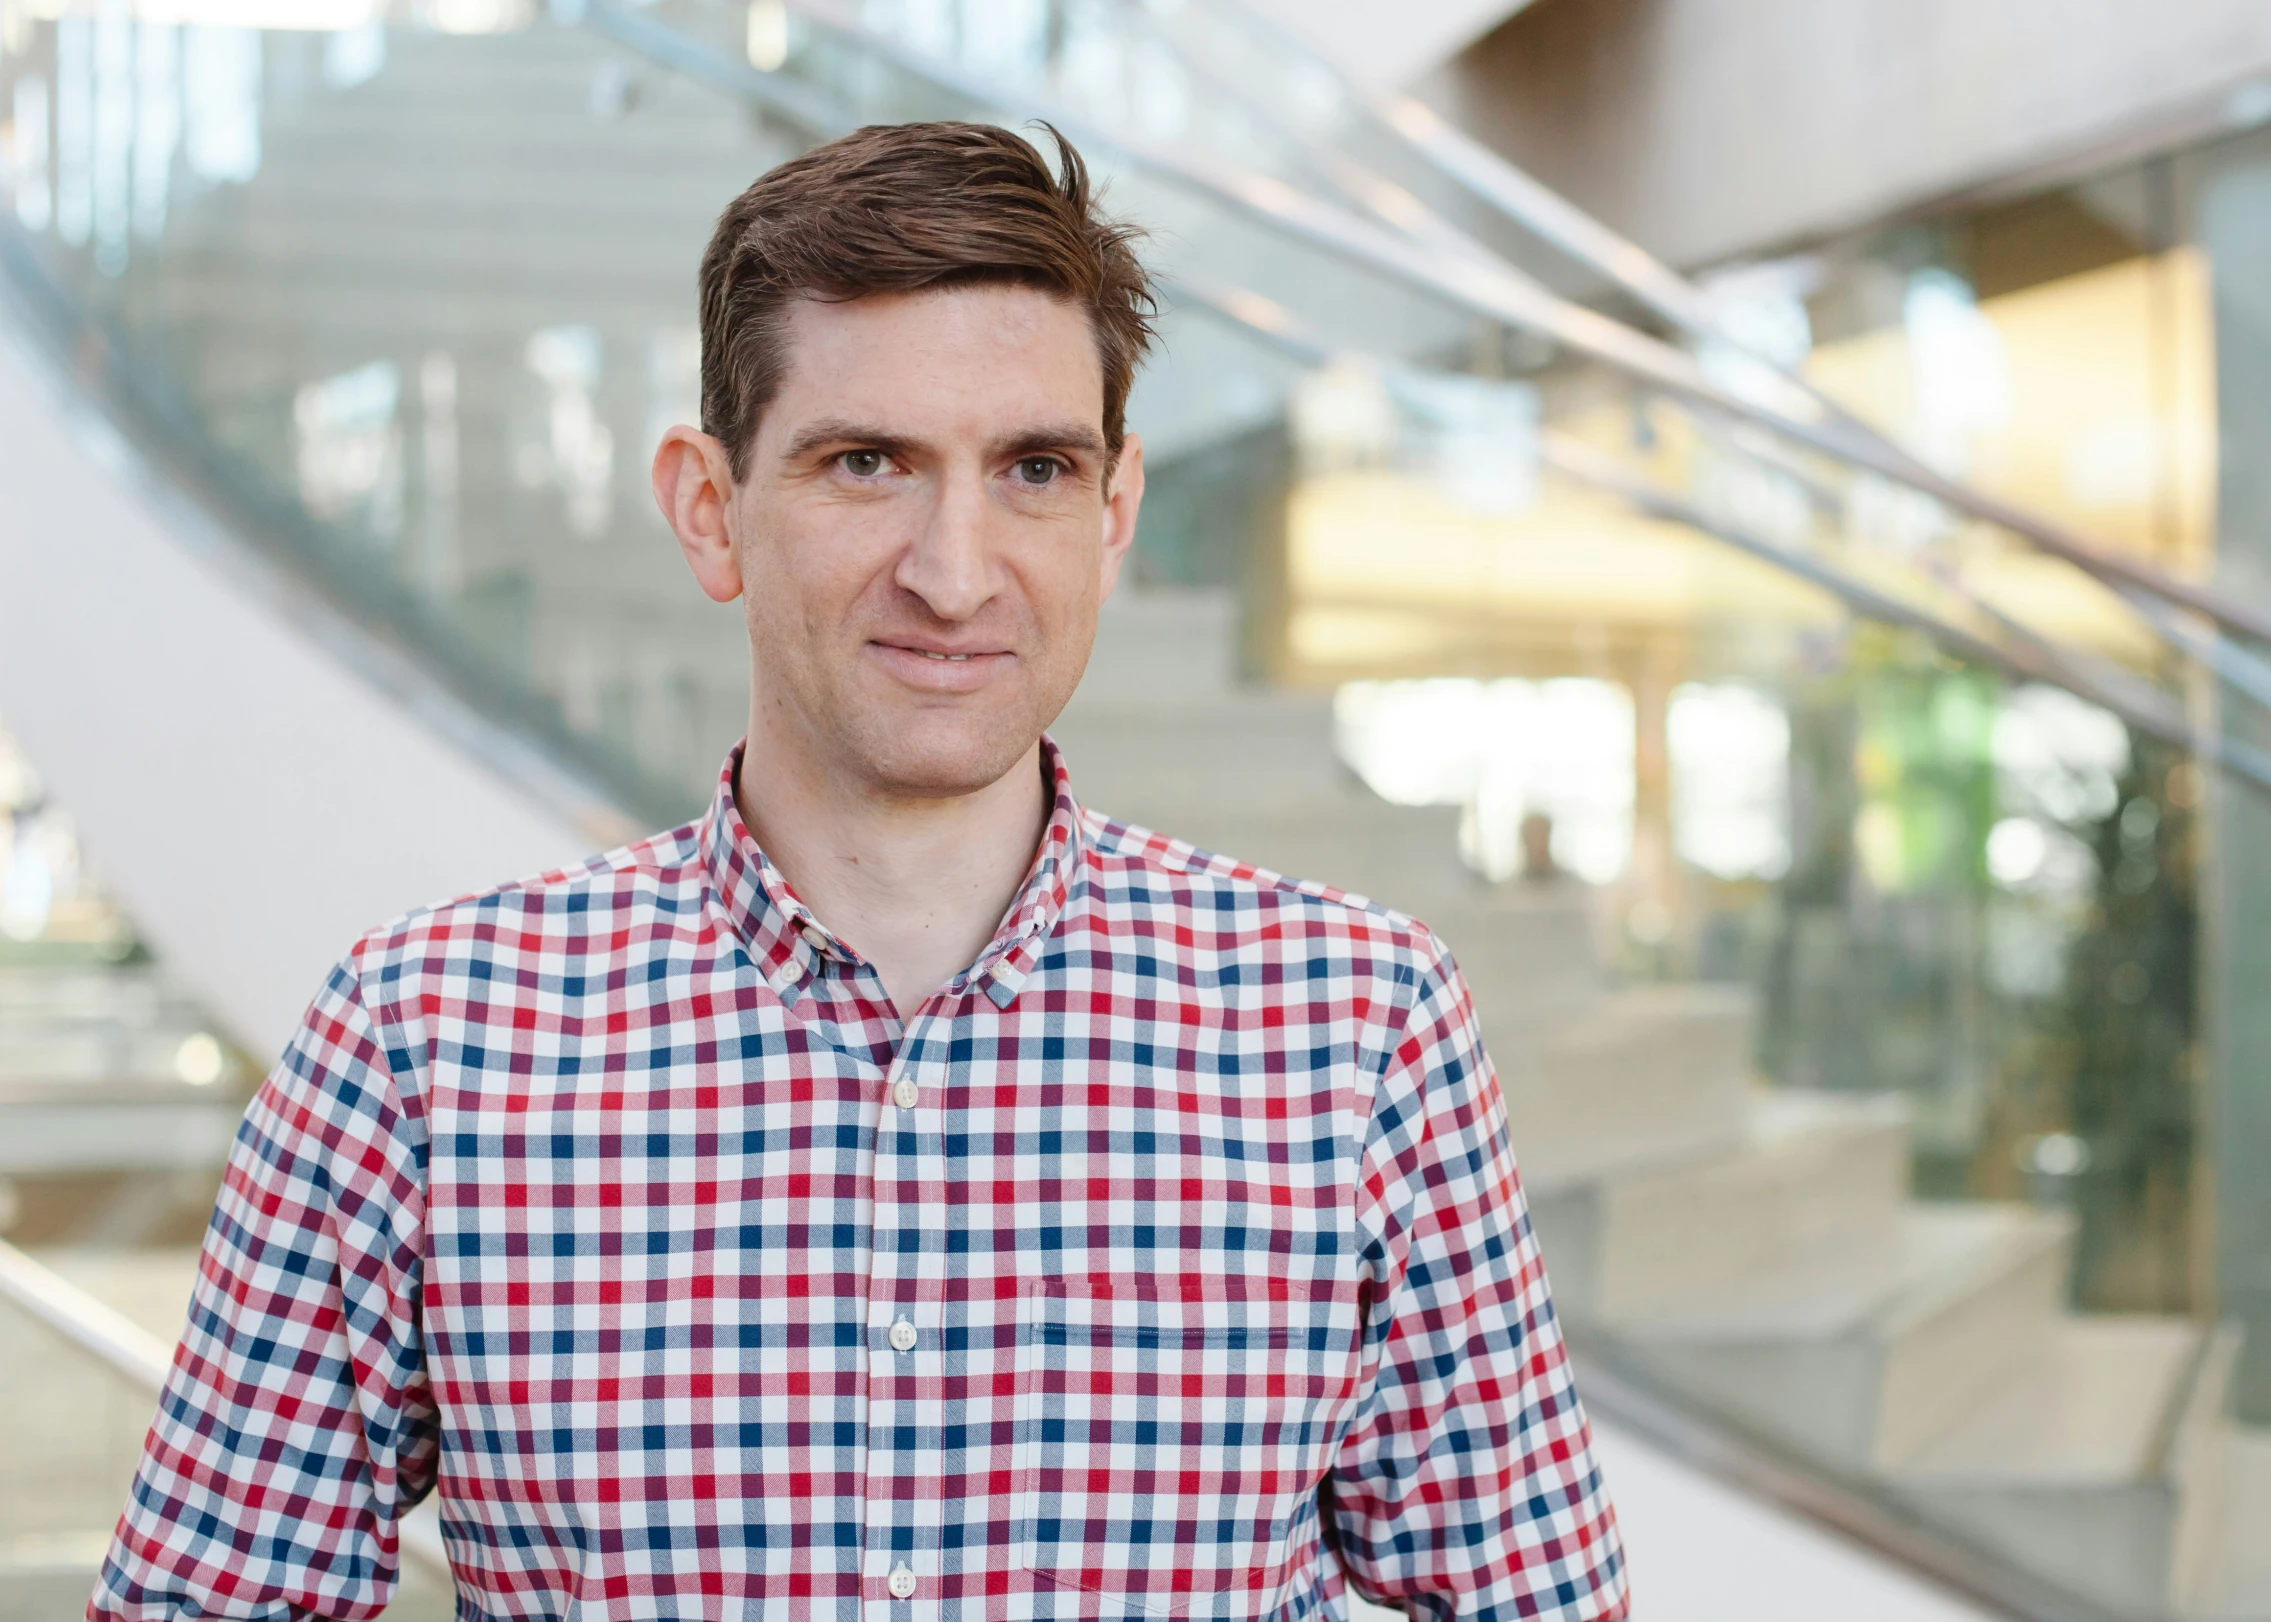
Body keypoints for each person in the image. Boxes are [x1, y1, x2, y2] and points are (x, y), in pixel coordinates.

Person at [90, 122, 1625, 1621]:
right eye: (866, 461)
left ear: (1114, 514)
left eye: (1032, 468)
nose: (955, 571)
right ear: (710, 506)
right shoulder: (422, 1040)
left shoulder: (1355, 1028)